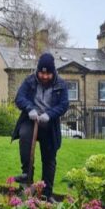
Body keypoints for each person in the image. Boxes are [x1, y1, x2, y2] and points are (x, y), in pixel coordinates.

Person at [12, 52, 69, 198]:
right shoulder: (30, 80)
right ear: (38, 71)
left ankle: (46, 193)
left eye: (48, 74)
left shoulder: (61, 85)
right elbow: (19, 97)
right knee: (24, 135)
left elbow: (64, 105)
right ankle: (27, 174)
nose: (44, 77)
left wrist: (49, 114)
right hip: (31, 120)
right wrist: (30, 108)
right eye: (41, 73)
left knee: (49, 159)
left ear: (53, 72)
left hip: (49, 125)